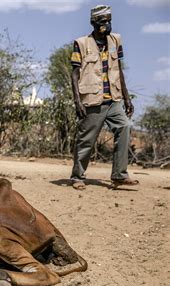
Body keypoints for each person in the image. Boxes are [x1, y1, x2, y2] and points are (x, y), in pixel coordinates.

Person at [70, 4, 139, 190]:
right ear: (93, 23)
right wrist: (77, 100)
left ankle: (119, 175)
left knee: (124, 126)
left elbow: (119, 70)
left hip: (114, 98)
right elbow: (75, 73)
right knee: (86, 140)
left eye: (109, 21)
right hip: (93, 99)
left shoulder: (116, 40)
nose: (106, 25)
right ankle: (77, 176)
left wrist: (127, 98)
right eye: (102, 21)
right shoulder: (81, 43)